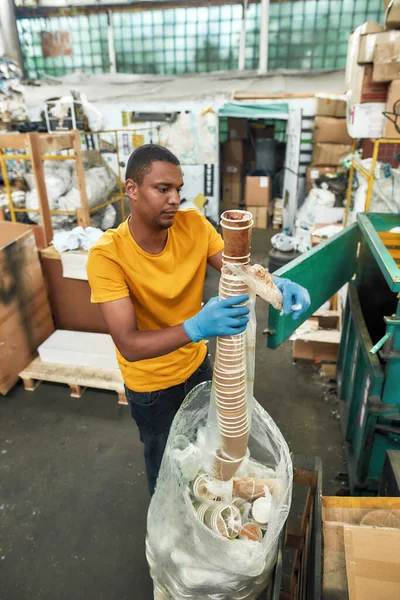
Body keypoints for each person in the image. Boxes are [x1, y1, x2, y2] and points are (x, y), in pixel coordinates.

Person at [87, 144, 310, 494]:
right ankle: (172, 541)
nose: (175, 199)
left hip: (197, 367)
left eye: (178, 189)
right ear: (132, 189)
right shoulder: (107, 256)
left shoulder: (193, 225)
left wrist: (274, 283)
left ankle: (206, 512)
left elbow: (237, 268)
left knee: (205, 453)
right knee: (167, 471)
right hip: (152, 386)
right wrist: (197, 327)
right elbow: (129, 344)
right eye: (163, 189)